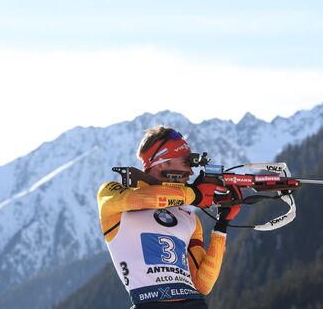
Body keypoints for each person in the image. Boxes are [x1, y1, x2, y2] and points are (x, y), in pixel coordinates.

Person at [97, 125, 241, 308]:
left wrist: (222, 225)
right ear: (163, 162)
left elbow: (202, 284)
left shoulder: (188, 215)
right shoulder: (111, 194)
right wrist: (195, 194)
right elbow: (142, 198)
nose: (191, 172)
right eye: (186, 162)